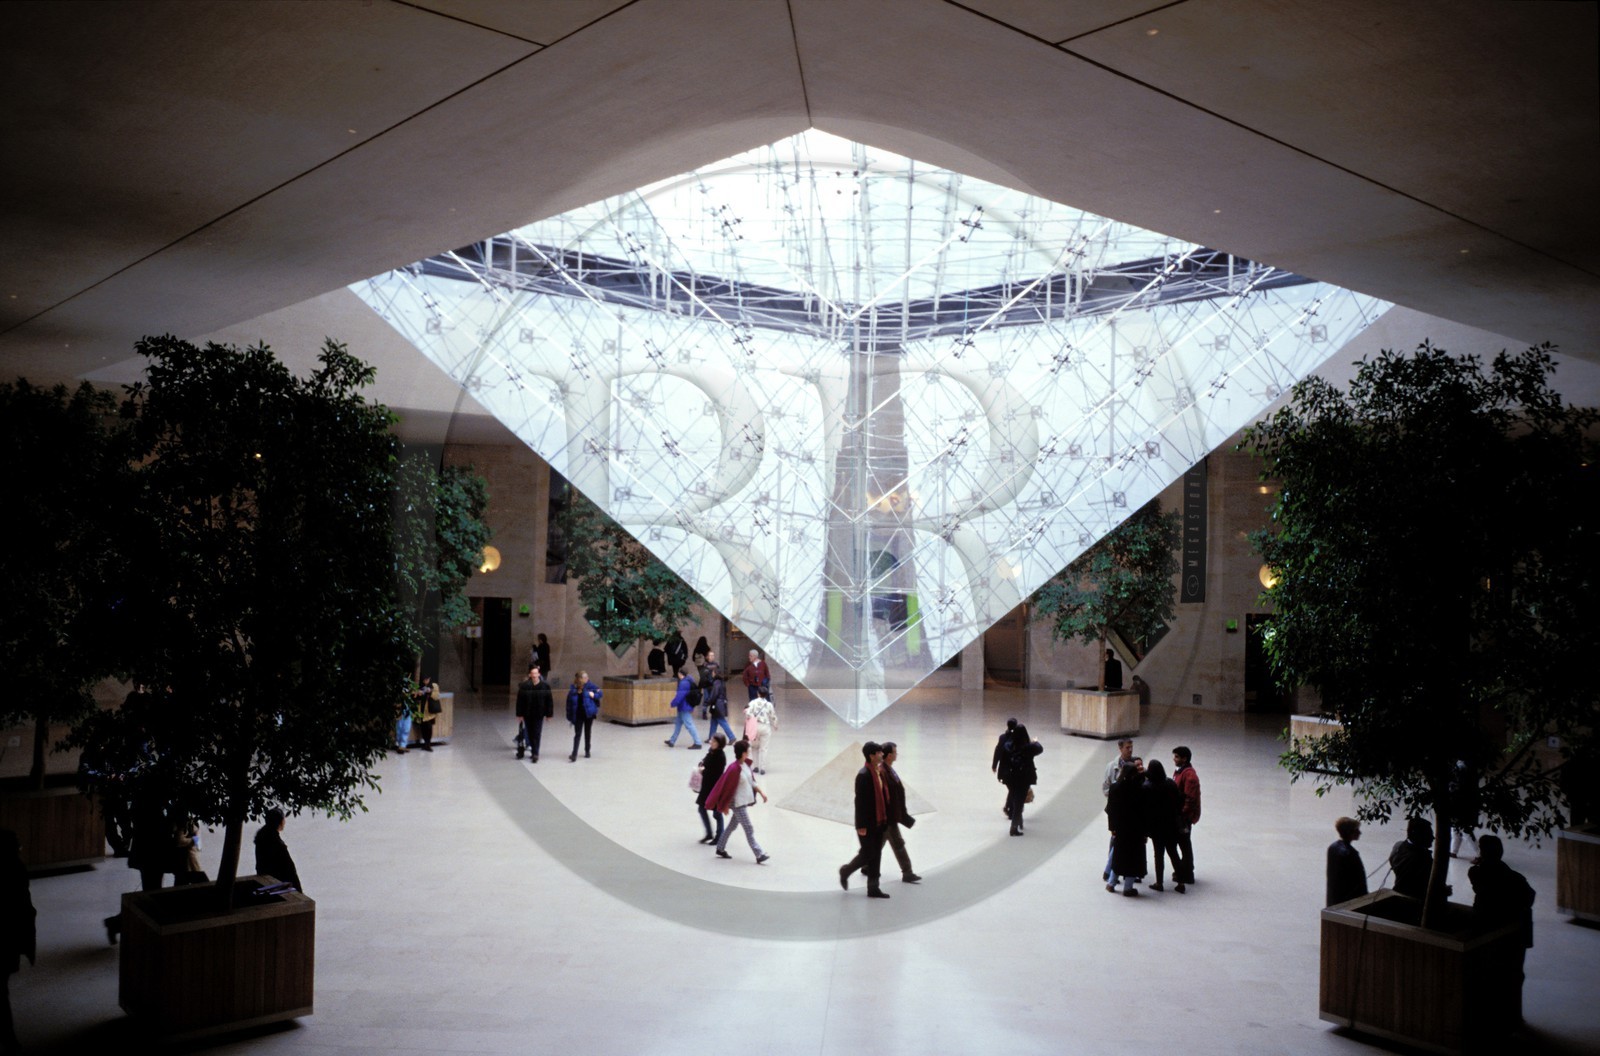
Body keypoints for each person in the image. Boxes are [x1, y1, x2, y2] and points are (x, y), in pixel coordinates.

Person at [1468, 835, 1535, 1026]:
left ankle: (1493, 1017)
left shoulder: (1476, 873)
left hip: (1487, 929)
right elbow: (1528, 898)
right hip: (1513, 934)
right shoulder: (1515, 878)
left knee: (1490, 974)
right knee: (1513, 974)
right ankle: (1512, 1015)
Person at [839, 742, 891, 897]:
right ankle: (846, 870)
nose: (882, 755)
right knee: (868, 853)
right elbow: (859, 803)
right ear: (872, 755)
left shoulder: (878, 772)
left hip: (880, 821)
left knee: (876, 855)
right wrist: (861, 825)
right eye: (879, 753)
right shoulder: (864, 775)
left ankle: (873, 888)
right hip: (867, 824)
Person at [0, 831, 35, 1056]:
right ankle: (8, 1038)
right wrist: (27, 944)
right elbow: (25, 911)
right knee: (0, 991)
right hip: (6, 941)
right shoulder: (17, 871)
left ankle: (8, 1037)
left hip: (4, 939)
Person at [707, 739, 768, 863]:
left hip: (742, 802)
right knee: (748, 828)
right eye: (748, 751)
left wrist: (761, 793)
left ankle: (720, 848)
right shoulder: (733, 769)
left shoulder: (744, 765)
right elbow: (726, 787)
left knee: (732, 826)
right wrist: (724, 805)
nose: (749, 752)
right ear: (743, 753)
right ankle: (759, 853)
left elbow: (752, 781)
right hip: (737, 803)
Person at [881, 741, 921, 884]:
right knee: (898, 844)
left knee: (878, 844)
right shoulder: (883, 772)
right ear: (889, 755)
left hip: (891, 815)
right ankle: (907, 872)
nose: (897, 754)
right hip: (889, 817)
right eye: (895, 752)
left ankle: (866, 865)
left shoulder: (889, 769)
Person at [1105, 762, 1147, 895]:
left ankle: (1111, 883)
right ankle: (1128, 887)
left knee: (1118, 855)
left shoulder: (1115, 787)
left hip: (1120, 828)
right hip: (1135, 830)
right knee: (1133, 858)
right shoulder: (1139, 789)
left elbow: (1111, 809)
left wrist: (1112, 827)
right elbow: (1143, 812)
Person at [1141, 759, 1181, 891]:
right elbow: (1178, 802)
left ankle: (1159, 882)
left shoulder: (1148, 787)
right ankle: (1181, 882)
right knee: (1173, 853)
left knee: (1159, 855)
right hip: (1171, 825)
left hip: (1157, 827)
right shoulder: (1170, 783)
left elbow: (1145, 809)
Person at [1389, 816, 1446, 903]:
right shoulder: (1423, 859)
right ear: (1418, 836)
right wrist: (1444, 891)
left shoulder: (1399, 846)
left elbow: (1392, 861)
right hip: (1414, 903)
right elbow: (1428, 886)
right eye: (1429, 834)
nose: (1433, 838)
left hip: (1398, 894)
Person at [1101, 737, 1135, 882]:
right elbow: (1105, 787)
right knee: (1115, 839)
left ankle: (1125, 870)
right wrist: (1116, 796)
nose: (1130, 750)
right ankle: (1111, 869)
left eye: (1131, 747)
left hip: (1129, 811)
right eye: (1127, 747)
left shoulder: (1134, 764)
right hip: (1116, 810)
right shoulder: (1111, 766)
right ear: (1120, 748)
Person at [1004, 724, 1042, 837]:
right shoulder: (1028, 748)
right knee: (1020, 801)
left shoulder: (1009, 746)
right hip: (1024, 777)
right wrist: (1034, 741)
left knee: (1016, 799)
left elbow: (1005, 748)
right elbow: (1039, 748)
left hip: (1011, 776)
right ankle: (1014, 826)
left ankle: (1018, 821)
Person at [1172, 745, 1201, 890]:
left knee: (1184, 844)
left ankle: (1187, 872)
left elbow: (1190, 798)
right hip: (1181, 815)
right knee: (1183, 843)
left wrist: (1183, 814)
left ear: (1184, 759)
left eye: (1176, 757)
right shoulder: (1181, 771)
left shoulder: (1189, 775)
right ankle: (1184, 869)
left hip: (1184, 817)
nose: (1174, 759)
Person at [254, 808, 302, 893]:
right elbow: (290, 869)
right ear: (280, 822)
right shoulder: (277, 843)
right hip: (276, 883)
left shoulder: (261, 837)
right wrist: (299, 891)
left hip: (265, 880)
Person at [1326, 816, 1368, 907]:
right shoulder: (1350, 854)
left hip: (1334, 900)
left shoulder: (1333, 848)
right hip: (1348, 903)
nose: (1360, 832)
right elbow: (1359, 881)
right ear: (1350, 832)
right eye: (1357, 830)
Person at [695, 735, 728, 845]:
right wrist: (701, 765)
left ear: (719, 743)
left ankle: (719, 836)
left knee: (717, 813)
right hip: (706, 787)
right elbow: (704, 761)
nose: (711, 742)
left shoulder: (720, 756)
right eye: (711, 740)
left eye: (713, 741)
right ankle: (709, 833)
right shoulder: (711, 752)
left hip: (715, 788)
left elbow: (716, 774)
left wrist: (703, 771)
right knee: (701, 808)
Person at [515, 664, 553, 762]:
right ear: (530, 675)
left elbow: (549, 701)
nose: (534, 675)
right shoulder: (524, 686)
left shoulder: (545, 686)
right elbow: (520, 701)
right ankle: (533, 751)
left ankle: (536, 753)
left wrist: (549, 714)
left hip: (539, 714)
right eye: (533, 673)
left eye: (536, 673)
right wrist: (519, 714)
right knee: (530, 733)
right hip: (528, 713)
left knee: (537, 733)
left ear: (539, 674)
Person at [566, 670, 602, 761]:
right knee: (577, 734)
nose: (587, 679)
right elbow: (569, 704)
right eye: (585, 678)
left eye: (587, 677)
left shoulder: (590, 686)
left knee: (587, 732)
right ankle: (574, 754)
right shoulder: (573, 690)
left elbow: (600, 693)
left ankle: (587, 751)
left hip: (588, 713)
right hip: (578, 715)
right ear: (580, 679)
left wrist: (593, 695)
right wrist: (569, 716)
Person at [664, 668, 703, 749]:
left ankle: (698, 742)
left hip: (684, 706)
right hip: (684, 706)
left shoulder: (684, 683)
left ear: (680, 674)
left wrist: (673, 703)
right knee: (678, 724)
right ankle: (672, 740)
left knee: (689, 724)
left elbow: (680, 696)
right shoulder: (689, 680)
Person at [745, 687, 777, 773]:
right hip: (765, 727)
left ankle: (755, 766)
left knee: (754, 747)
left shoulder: (752, 703)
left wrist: (750, 719)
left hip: (755, 726)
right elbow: (773, 716)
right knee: (764, 748)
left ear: (758, 693)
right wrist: (775, 725)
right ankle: (762, 768)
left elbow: (747, 713)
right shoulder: (769, 704)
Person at [992, 718, 1018, 817]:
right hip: (1015, 768)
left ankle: (1009, 808)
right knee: (1013, 789)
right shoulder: (1019, 738)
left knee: (1012, 789)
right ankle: (1010, 809)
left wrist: (994, 765)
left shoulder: (1003, 738)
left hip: (1005, 769)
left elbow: (998, 751)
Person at [703, 668, 735, 745]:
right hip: (719, 704)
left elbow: (714, 694)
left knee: (722, 721)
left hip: (717, 705)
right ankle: (711, 737)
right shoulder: (721, 682)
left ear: (715, 673)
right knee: (713, 721)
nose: (712, 674)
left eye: (713, 672)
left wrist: (707, 702)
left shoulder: (716, 683)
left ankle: (732, 737)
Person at [173, 818, 208, 886]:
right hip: (186, 859)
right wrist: (194, 839)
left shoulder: (191, 824)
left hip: (190, 858)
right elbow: (179, 841)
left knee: (182, 881)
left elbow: (198, 845)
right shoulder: (184, 825)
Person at [411, 675, 441, 751]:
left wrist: (430, 692)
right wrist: (417, 694)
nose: (425, 681)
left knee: (429, 727)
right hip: (421, 711)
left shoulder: (434, 686)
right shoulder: (418, 686)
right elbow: (413, 696)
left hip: (429, 711)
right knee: (423, 727)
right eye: (424, 680)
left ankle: (428, 743)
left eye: (427, 679)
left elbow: (436, 696)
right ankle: (425, 743)